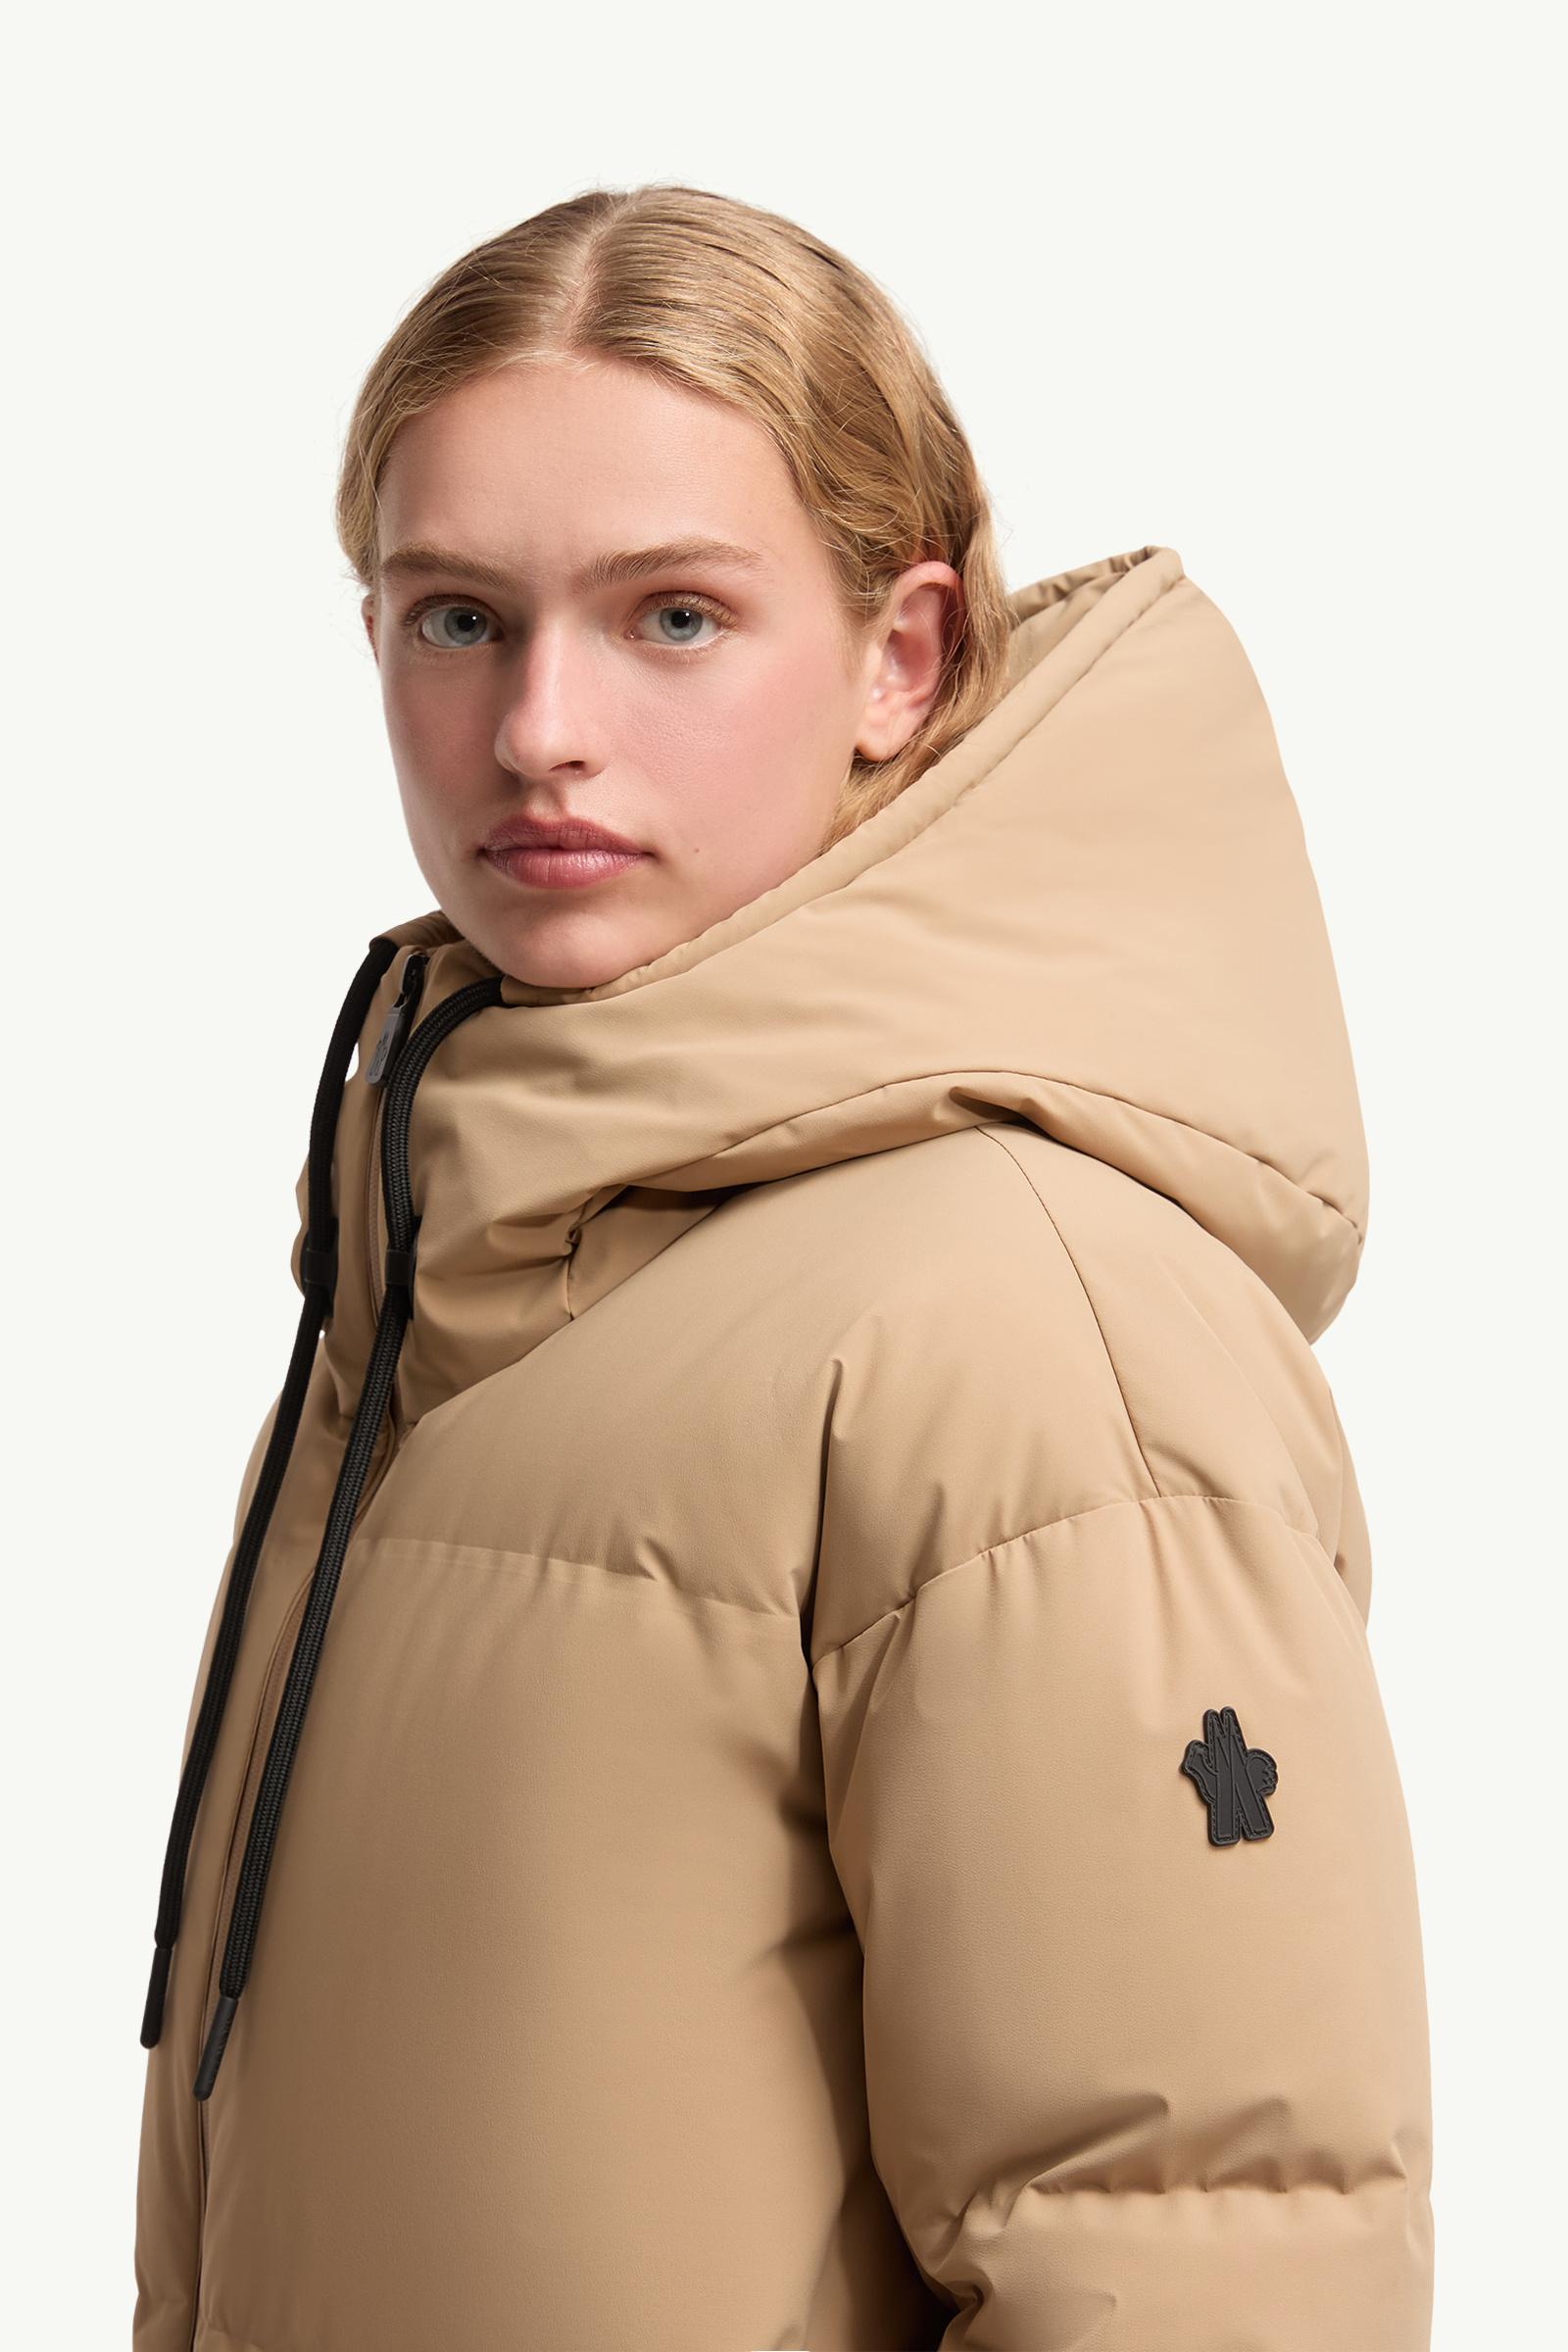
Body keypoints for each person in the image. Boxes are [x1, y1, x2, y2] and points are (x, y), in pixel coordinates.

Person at [131, 183, 1435, 2352]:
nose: (539, 726)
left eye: (670, 617)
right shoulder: (434, 1283)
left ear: (897, 659)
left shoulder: (1017, 1323)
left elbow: (1201, 2251)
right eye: (457, 618)